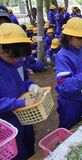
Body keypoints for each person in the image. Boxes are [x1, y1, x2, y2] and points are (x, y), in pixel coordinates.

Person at [0, 23, 39, 159]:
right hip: (7, 121)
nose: (17, 60)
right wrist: (20, 103)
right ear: (1, 49)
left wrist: (30, 85)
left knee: (29, 141)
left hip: (25, 115)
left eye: (20, 57)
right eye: (13, 57)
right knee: (16, 151)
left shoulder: (18, 60)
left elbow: (24, 79)